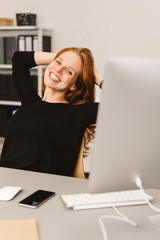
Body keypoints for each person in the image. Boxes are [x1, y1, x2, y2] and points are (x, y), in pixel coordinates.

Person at [0, 47, 103, 178]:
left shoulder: (78, 113)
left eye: (69, 71)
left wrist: (95, 75)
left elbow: (124, 104)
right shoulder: (30, 102)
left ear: (74, 85)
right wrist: (63, 57)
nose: (58, 70)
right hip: (5, 182)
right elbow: (19, 59)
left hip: (38, 190)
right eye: (58, 63)